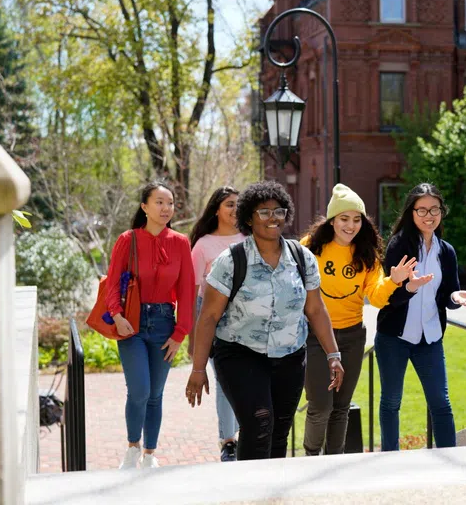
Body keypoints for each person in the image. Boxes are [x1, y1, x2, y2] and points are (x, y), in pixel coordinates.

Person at [185, 181, 345, 460]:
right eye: (264, 212)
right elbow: (208, 316)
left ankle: (273, 493)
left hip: (290, 355)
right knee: (259, 424)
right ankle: (250, 492)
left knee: (279, 431)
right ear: (248, 217)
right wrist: (198, 369)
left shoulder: (301, 257)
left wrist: (333, 354)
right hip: (240, 353)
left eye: (279, 211)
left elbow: (316, 309)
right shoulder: (231, 260)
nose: (273, 218)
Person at [300, 184, 431, 455]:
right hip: (315, 337)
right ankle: (311, 457)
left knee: (341, 407)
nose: (351, 225)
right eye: (344, 219)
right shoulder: (309, 247)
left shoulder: (367, 254)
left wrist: (395, 281)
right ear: (332, 220)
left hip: (351, 336)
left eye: (357, 219)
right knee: (320, 405)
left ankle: (334, 461)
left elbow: (378, 298)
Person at [375, 183, 466, 451]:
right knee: (391, 402)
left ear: (442, 212)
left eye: (434, 209)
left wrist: (454, 298)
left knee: (441, 404)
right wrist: (409, 287)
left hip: (430, 338)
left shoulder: (446, 251)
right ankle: (390, 458)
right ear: (411, 212)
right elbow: (387, 297)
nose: (428, 215)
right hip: (393, 337)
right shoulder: (399, 245)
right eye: (421, 209)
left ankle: (448, 459)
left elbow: (447, 293)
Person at [105, 181, 195, 469]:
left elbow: (186, 291)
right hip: (130, 324)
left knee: (156, 394)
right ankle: (132, 446)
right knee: (140, 390)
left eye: (170, 203)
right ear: (144, 206)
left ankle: (149, 455)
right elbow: (111, 282)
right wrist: (117, 315)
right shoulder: (127, 239)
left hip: (164, 324)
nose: (166, 208)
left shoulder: (180, 242)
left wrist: (181, 332)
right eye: (159, 202)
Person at [189, 186, 244, 462]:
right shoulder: (203, 246)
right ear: (216, 210)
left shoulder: (250, 239)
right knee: (224, 380)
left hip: (246, 317)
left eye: (238, 204)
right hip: (212, 316)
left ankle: (248, 432)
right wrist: (192, 338)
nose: (235, 210)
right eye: (229, 205)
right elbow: (191, 292)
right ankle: (228, 441)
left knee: (246, 379)